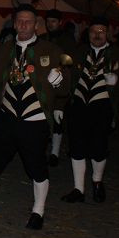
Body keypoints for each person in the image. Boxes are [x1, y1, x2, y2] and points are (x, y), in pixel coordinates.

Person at [0, 4, 67, 232]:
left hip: (35, 119)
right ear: (14, 23)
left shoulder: (50, 50)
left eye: (29, 21)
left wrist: (58, 82)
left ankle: (38, 212)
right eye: (20, 21)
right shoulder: (4, 49)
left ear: (36, 24)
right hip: (6, 117)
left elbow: (65, 87)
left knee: (36, 168)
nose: (24, 25)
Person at [61, 17, 119, 204]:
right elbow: (67, 75)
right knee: (76, 147)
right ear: (87, 33)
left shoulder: (118, 54)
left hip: (102, 107)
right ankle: (78, 189)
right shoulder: (79, 51)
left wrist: (118, 81)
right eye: (93, 31)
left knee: (99, 148)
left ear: (108, 33)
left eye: (101, 31)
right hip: (79, 105)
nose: (97, 35)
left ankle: (97, 182)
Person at [43, 9, 78, 166]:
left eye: (54, 21)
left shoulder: (67, 40)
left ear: (60, 22)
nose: (50, 24)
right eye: (48, 21)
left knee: (58, 117)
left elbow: (69, 64)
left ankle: (55, 153)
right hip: (44, 84)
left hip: (60, 84)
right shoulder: (42, 38)